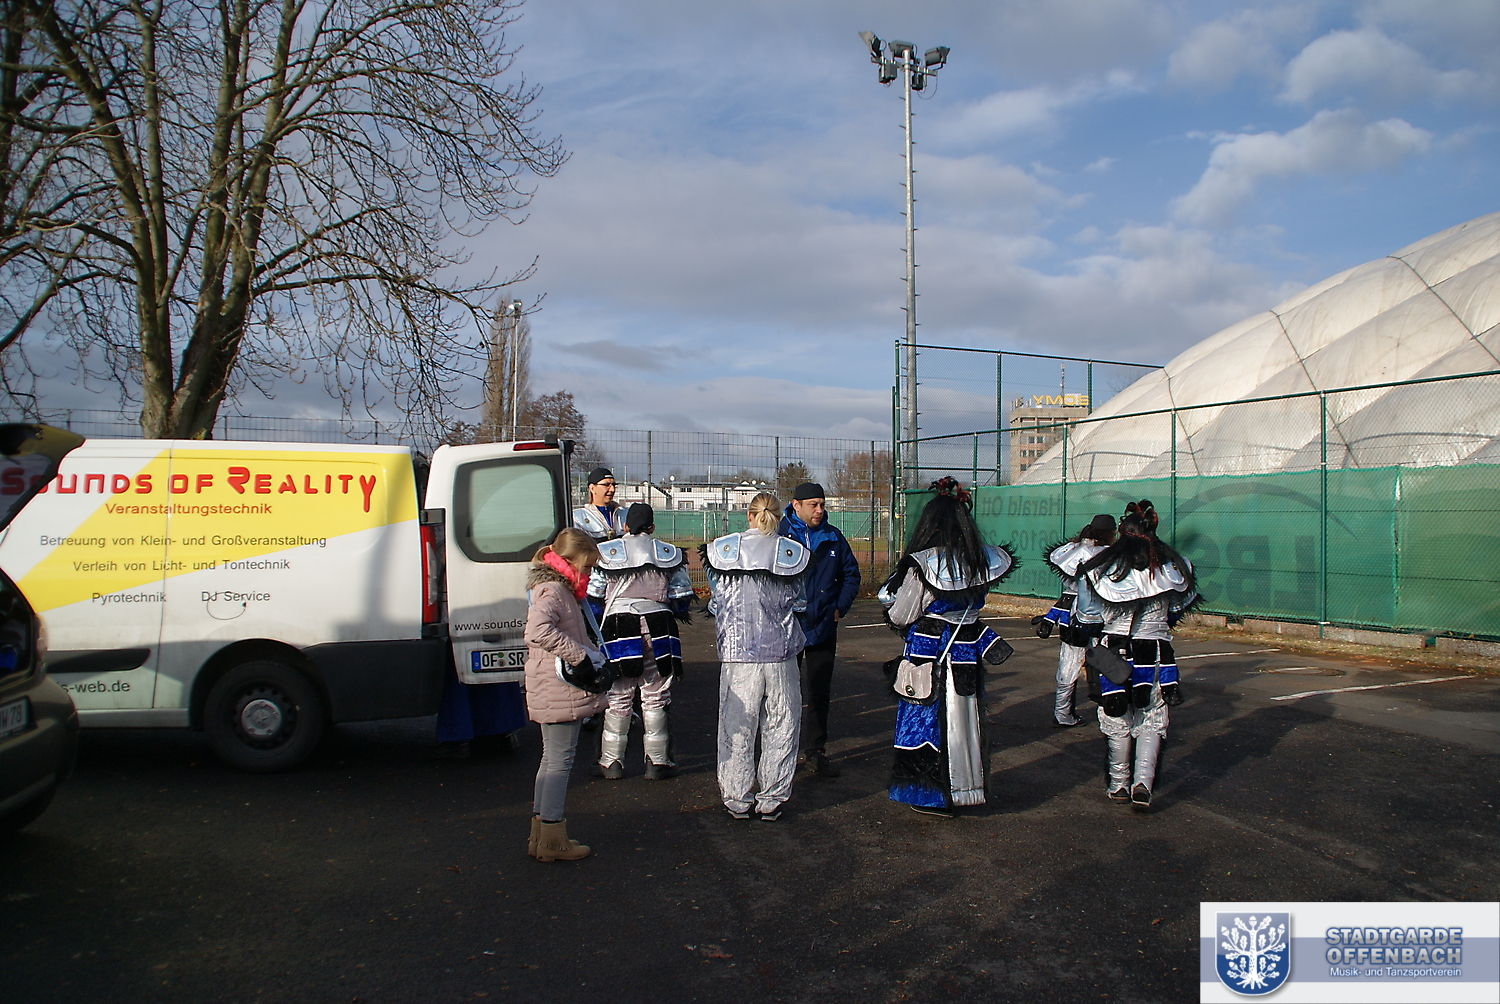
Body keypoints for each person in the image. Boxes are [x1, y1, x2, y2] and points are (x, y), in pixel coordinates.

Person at [879, 478, 1015, 817]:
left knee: (925, 723)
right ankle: (966, 789)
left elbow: (901, 614)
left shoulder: (924, 565)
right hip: (966, 654)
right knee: (964, 722)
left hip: (928, 656)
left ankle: (930, 794)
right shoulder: (980, 560)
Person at [1079, 500, 1196, 809]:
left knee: (1116, 713)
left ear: (1122, 533)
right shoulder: (1171, 567)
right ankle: (1143, 782)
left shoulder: (1103, 568)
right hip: (1156, 652)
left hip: (1114, 652)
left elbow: (1088, 616)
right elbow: (1178, 607)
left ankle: (1118, 784)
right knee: (1152, 715)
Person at [702, 492, 810, 820]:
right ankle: (772, 799)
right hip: (780, 655)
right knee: (781, 725)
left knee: (736, 727)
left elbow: (717, 603)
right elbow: (800, 603)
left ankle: (737, 798)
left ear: (749, 516)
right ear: (779, 517)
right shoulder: (792, 554)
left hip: (738, 656)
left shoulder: (722, 552)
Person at [587, 503, 695, 780]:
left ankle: (611, 761)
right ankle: (657, 761)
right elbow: (682, 596)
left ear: (625, 526)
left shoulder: (605, 552)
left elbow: (594, 596)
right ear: (652, 527)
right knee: (656, 693)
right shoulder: (669, 553)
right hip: (659, 625)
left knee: (618, 693)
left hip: (618, 626)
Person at [522, 527, 606, 862]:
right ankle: (552, 838)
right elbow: (537, 630)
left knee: (551, 759)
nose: (589, 574)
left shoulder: (552, 587)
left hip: (549, 684)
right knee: (560, 760)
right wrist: (580, 656)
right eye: (587, 566)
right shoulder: (556, 590)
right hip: (559, 686)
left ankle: (541, 834)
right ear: (571, 560)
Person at [778, 482, 861, 778]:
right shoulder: (779, 536)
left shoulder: (833, 537)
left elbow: (851, 574)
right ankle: (781, 754)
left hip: (823, 625)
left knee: (819, 692)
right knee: (783, 694)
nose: (819, 510)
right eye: (813, 504)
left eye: (822, 505)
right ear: (796, 505)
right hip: (787, 627)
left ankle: (815, 752)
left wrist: (839, 607)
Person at [1044, 514, 1118, 728]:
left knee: (1068, 668)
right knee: (1108, 668)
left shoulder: (1074, 551)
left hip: (1075, 619)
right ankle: (1112, 715)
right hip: (1105, 622)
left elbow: (1069, 582)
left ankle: (1063, 713)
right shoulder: (1113, 555)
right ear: (1111, 532)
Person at [573, 467, 627, 540]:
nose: (612, 489)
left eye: (614, 485)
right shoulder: (578, 518)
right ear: (592, 488)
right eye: (606, 485)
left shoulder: (625, 513)